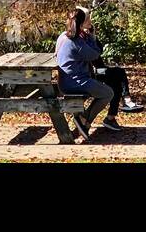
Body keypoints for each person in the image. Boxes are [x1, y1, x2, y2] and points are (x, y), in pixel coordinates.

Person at [55, 8, 140, 137]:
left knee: (115, 78)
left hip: (67, 80)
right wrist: (92, 37)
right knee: (108, 93)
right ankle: (84, 119)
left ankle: (88, 122)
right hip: (75, 82)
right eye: (88, 19)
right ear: (82, 23)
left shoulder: (64, 36)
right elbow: (95, 54)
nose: (91, 21)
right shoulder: (76, 41)